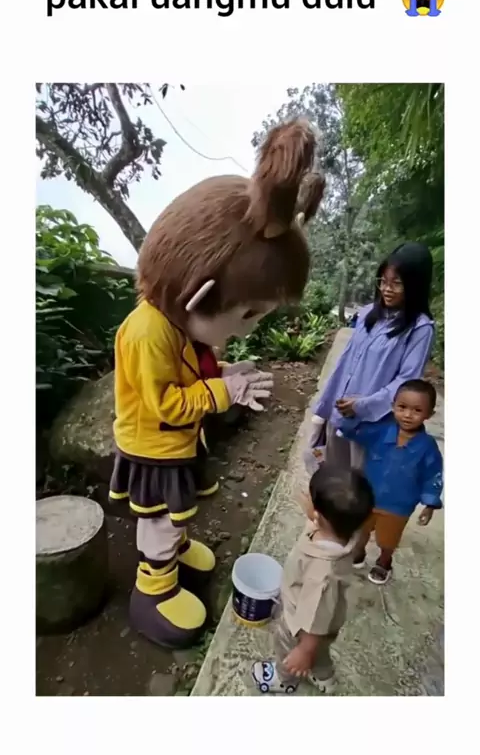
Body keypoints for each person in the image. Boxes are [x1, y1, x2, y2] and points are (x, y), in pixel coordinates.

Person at [109, 120, 326, 649]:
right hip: (154, 449)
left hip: (178, 444)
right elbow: (166, 403)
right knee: (160, 520)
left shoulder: (179, 327)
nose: (245, 330)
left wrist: (227, 375)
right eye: (247, 315)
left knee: (179, 513)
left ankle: (176, 552)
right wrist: (222, 392)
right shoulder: (147, 333)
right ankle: (153, 588)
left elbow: (193, 376)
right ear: (199, 295)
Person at [310, 242, 435, 472]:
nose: (387, 289)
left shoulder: (420, 329)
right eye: (383, 281)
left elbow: (406, 382)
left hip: (371, 428)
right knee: (331, 480)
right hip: (339, 417)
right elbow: (344, 364)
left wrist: (362, 406)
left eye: (397, 283)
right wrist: (324, 409)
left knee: (359, 485)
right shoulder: (368, 313)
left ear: (415, 285)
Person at [251, 463, 374, 694]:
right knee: (320, 652)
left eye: (309, 496)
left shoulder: (323, 574)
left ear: (317, 515)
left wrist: (304, 651)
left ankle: (284, 680)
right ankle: (324, 677)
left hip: (300, 624)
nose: (305, 497)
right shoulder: (344, 531)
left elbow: (315, 618)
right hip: (324, 620)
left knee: (290, 651)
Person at [339, 379, 443, 585]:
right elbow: (354, 432)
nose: (408, 415)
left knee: (388, 540)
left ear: (429, 415)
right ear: (393, 406)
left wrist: (430, 504)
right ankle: (358, 553)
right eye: (402, 407)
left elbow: (433, 475)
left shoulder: (427, 447)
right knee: (360, 530)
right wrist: (349, 417)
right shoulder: (380, 431)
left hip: (398, 506)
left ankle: (384, 561)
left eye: (417, 410)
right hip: (367, 497)